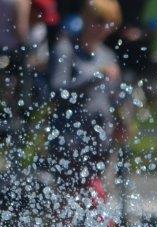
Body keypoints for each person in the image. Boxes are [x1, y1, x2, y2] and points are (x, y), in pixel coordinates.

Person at [45, 0, 123, 198]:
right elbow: (56, 91)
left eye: (110, 23)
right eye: (99, 21)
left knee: (98, 202)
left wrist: (123, 119)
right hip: (69, 141)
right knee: (69, 204)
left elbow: (114, 97)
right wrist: (94, 78)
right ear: (86, 19)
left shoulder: (108, 55)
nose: (104, 28)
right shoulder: (66, 49)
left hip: (100, 141)